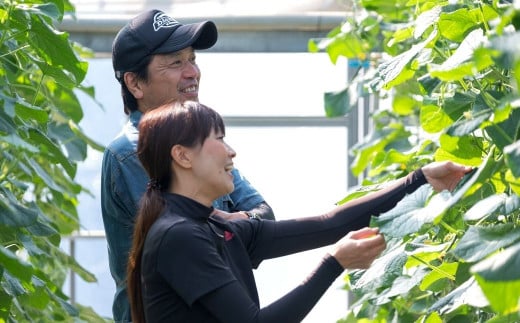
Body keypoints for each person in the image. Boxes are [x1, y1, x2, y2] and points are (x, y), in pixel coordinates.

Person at [127, 101, 473, 323]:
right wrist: (334, 264)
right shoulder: (180, 235)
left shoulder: (214, 226)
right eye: (219, 138)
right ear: (182, 156)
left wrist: (421, 179)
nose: (232, 151)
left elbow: (329, 225)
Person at [101, 9, 275, 322]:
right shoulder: (132, 152)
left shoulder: (196, 139)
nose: (192, 72)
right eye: (175, 62)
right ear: (135, 83)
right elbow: (200, 245)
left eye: (192, 58)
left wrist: (237, 222)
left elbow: (265, 217)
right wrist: (240, 225)